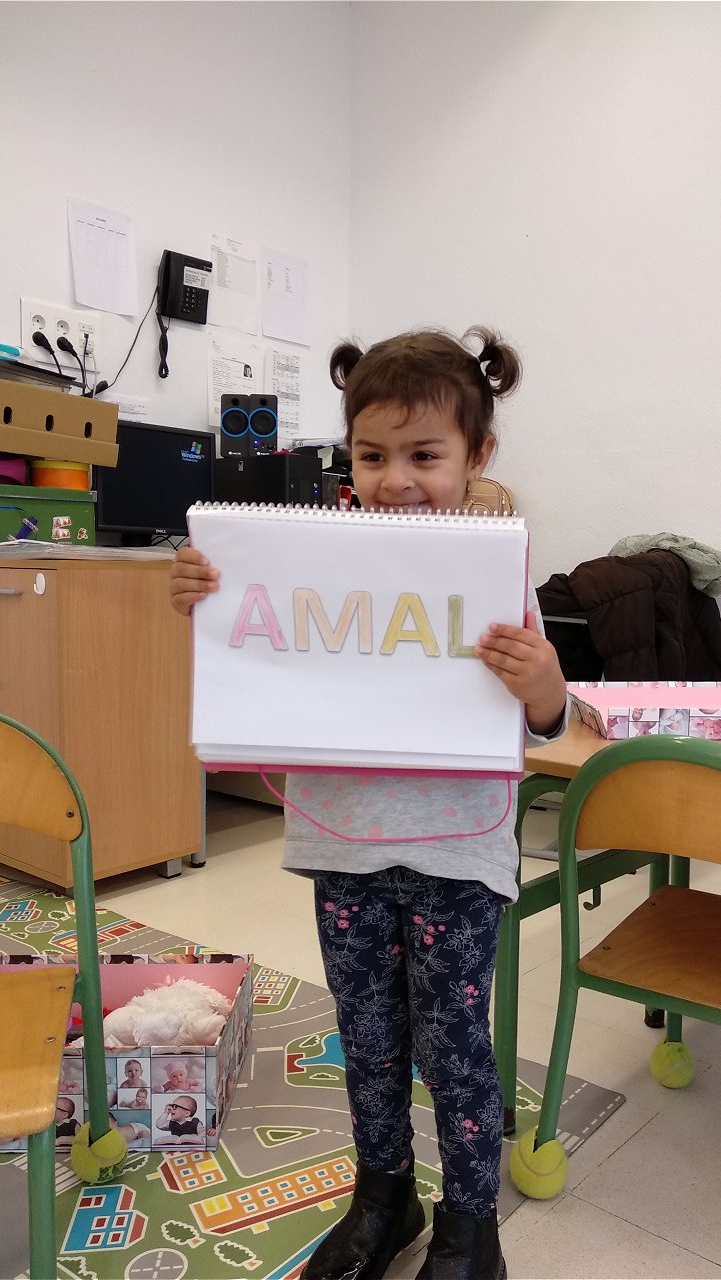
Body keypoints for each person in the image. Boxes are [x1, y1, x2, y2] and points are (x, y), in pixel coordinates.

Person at [169, 327, 567, 1280]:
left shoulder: (491, 571)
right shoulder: (306, 558)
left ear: (476, 456)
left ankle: (470, 1229)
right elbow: (256, 652)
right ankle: (384, 1197)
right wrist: (204, 597)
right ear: (346, 455)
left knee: (455, 1050)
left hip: (454, 853)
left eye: (424, 456)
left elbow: (547, 721)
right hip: (340, 842)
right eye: (372, 455)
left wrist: (545, 685)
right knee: (370, 1040)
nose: (396, 479)